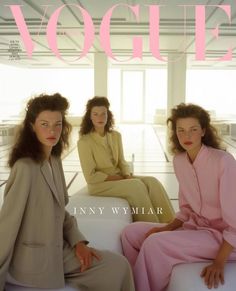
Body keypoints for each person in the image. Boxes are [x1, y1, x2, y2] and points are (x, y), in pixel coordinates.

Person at [0, 93, 135, 291]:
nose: (52, 130)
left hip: (60, 249)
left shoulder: (54, 161)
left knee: (119, 265)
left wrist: (78, 241)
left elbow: (60, 211)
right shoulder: (25, 168)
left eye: (58, 124)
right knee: (117, 268)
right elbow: (7, 225)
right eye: (44, 124)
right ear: (31, 126)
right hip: (34, 261)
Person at [121, 103, 236, 291]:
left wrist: (219, 262)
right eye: (180, 130)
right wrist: (167, 228)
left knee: (154, 244)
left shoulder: (223, 161)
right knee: (130, 233)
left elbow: (235, 223)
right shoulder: (180, 161)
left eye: (193, 129)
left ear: (203, 131)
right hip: (195, 228)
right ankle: (141, 283)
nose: (186, 136)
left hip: (222, 239)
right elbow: (186, 209)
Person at [77, 96, 174, 223]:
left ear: (108, 115)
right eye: (95, 114)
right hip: (100, 185)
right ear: (90, 117)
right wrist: (120, 178)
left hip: (119, 177)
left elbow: (122, 161)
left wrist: (127, 175)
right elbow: (91, 176)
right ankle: (151, 226)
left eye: (103, 114)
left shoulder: (116, 136)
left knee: (152, 181)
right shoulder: (84, 142)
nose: (100, 118)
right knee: (136, 186)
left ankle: (170, 222)